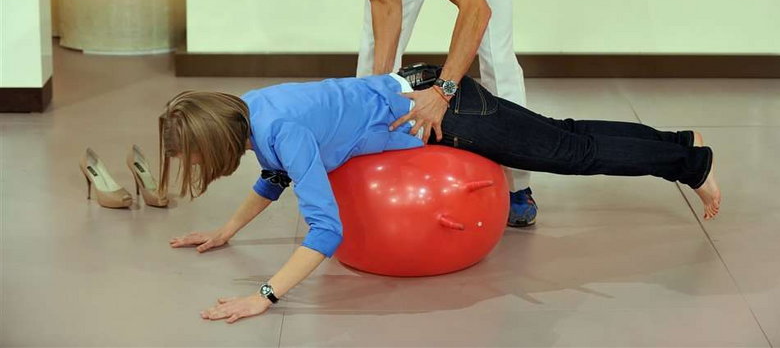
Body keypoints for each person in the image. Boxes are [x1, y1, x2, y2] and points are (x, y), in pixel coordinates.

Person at [165, 65, 721, 324]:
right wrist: (225, 231)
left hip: (446, 112)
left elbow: (327, 230)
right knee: (564, 136)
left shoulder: (282, 131)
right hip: (421, 92)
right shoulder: (252, 110)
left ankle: (688, 159)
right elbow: (275, 177)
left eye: (189, 153)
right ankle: (682, 144)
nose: (189, 163)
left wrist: (264, 295)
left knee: (571, 152)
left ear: (215, 136)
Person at [263, 0, 538, 227]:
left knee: (495, 55)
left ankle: (517, 185)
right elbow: (385, 0)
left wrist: (442, 92)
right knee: (373, 58)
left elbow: (475, 9)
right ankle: (361, 162)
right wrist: (379, 87)